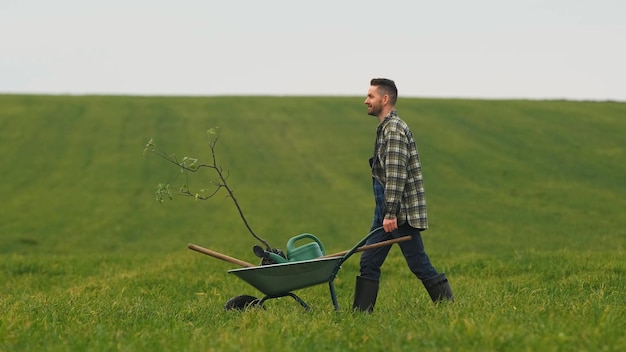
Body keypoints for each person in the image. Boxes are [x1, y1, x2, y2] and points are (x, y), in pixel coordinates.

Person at [352, 78, 454, 313]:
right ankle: (359, 316)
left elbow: (396, 175)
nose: (366, 101)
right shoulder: (386, 128)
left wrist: (390, 213)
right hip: (386, 213)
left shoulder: (395, 130)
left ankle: (449, 307)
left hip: (397, 214)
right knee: (369, 261)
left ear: (384, 99)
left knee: (418, 263)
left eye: (371, 96)